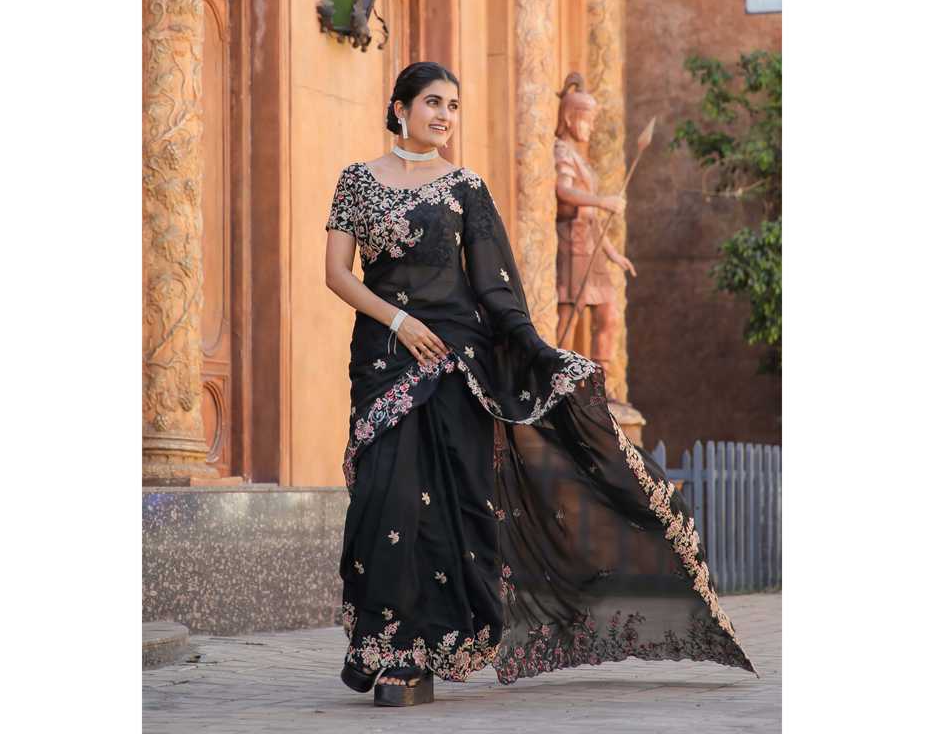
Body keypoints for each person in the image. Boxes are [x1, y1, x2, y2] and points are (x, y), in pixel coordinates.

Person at [324, 61, 756, 708]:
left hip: (456, 362)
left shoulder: (466, 188)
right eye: (433, 102)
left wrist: (539, 350)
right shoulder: (357, 181)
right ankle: (384, 641)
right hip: (385, 355)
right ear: (400, 107)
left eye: (454, 105)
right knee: (382, 497)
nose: (444, 115)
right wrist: (400, 321)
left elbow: (494, 287)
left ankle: (418, 654)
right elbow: (337, 273)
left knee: (444, 504)